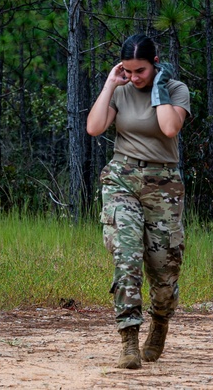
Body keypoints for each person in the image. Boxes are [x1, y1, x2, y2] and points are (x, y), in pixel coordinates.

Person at [86, 33, 192, 369]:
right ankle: (128, 340)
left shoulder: (175, 90)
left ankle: (160, 323)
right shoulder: (120, 91)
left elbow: (169, 127)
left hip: (164, 185)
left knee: (164, 273)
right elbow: (94, 127)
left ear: (155, 63)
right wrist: (110, 84)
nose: (134, 77)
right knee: (127, 254)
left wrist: (158, 86)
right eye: (128, 71)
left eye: (141, 71)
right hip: (122, 178)